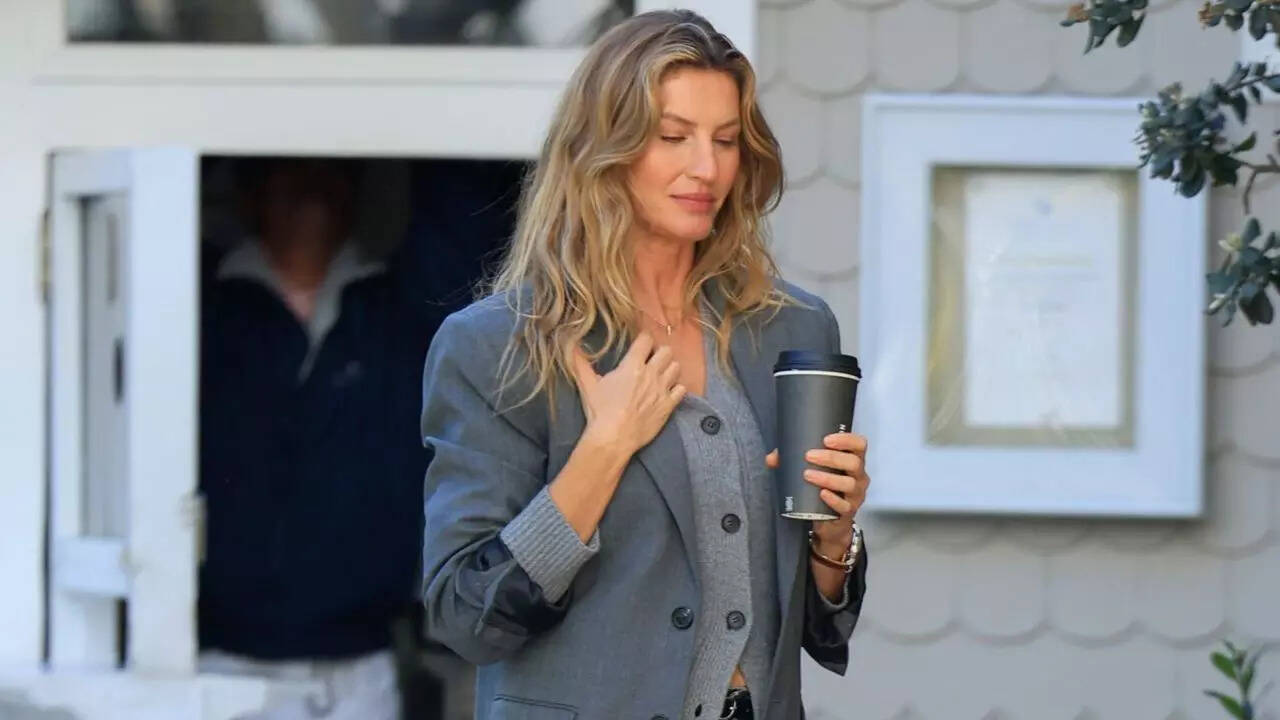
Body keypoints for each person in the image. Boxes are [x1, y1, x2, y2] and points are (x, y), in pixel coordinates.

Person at [418, 9, 871, 720]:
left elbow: (815, 626)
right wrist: (603, 448)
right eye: (673, 136)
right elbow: (464, 615)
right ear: (606, 147)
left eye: (726, 140)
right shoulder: (496, 346)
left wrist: (835, 539)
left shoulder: (793, 327)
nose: (707, 167)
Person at [198, 158, 442, 719]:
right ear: (251, 195)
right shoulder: (202, 309)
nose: (312, 195)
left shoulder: (395, 310)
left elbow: (462, 210)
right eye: (290, 178)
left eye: (328, 178)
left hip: (363, 664)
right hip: (221, 662)